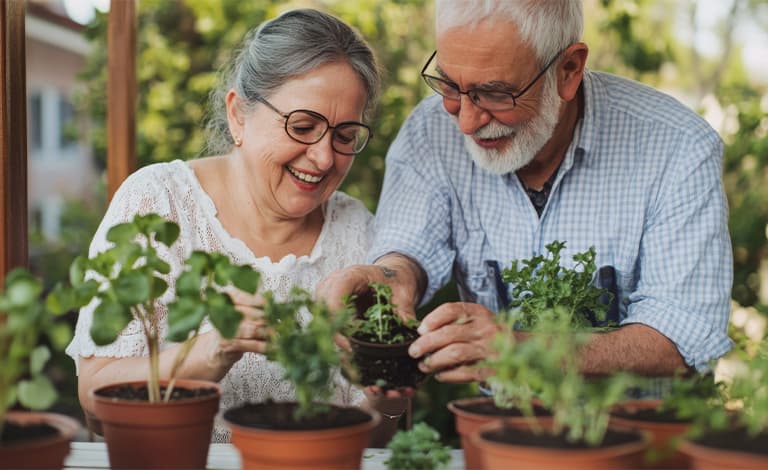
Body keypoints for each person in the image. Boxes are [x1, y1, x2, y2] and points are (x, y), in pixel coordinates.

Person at [317, 0, 733, 389]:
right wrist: (389, 279)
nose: (465, 120)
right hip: (498, 436)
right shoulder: (430, 132)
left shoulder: (677, 146)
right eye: (448, 85)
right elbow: (409, 249)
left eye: (496, 93)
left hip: (637, 447)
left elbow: (681, 334)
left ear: (568, 70)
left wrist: (523, 347)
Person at [65, 8, 405, 443]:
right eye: (303, 126)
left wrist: (390, 389)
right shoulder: (158, 203)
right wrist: (208, 351)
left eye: (344, 136)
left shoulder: (359, 232)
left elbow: (379, 437)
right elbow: (95, 401)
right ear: (238, 115)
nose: (323, 158)